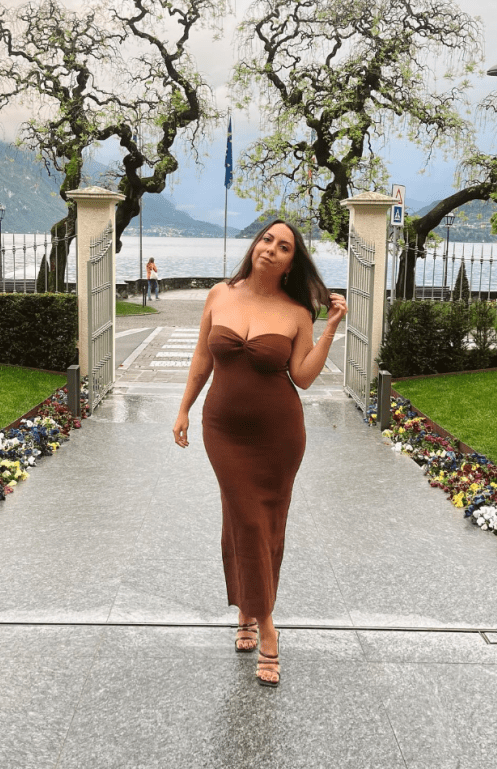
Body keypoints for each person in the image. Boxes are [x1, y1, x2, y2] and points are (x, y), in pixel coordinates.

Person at [173, 220, 347, 687]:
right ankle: (267, 624)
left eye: (284, 246)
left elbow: (303, 377)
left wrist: (330, 327)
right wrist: (184, 408)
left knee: (261, 525)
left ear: (292, 262)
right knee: (246, 519)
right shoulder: (220, 294)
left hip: (278, 435)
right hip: (223, 430)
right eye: (267, 239)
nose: (271, 249)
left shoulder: (297, 312)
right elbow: (202, 359)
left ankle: (249, 613)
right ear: (255, 246)